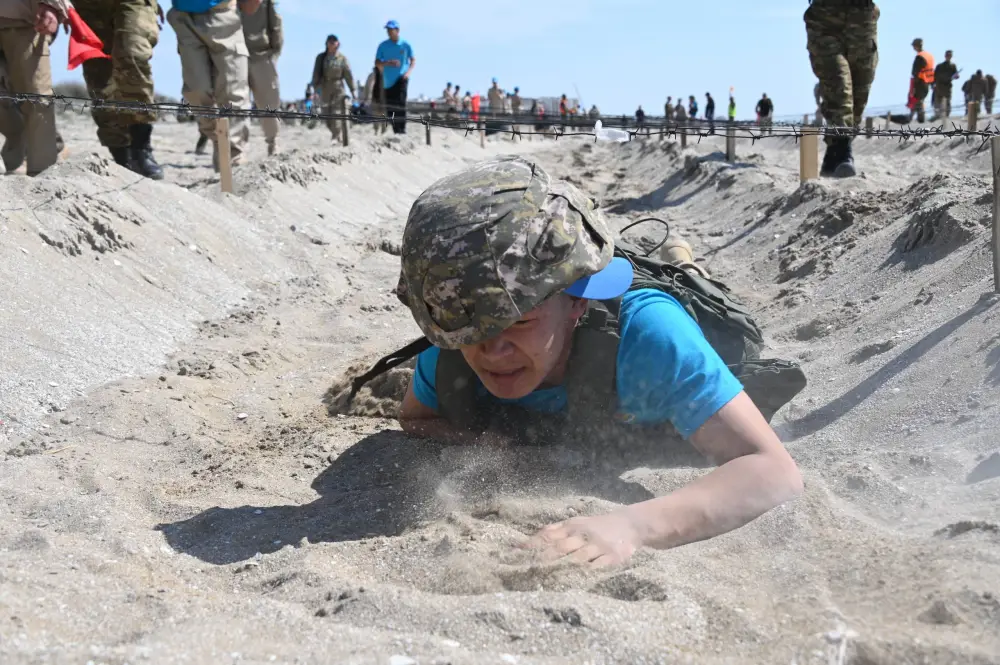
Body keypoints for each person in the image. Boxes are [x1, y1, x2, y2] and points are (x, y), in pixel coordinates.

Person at [391, 155, 804, 567]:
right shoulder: (449, 350)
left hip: (680, 325)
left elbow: (773, 470)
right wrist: (495, 444)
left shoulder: (649, 334)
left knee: (696, 282)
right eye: (473, 327)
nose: (493, 351)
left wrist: (631, 526)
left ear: (577, 301)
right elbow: (416, 420)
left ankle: (683, 261)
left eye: (520, 321)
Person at [75, 0, 163, 179]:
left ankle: (141, 146)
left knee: (133, 56)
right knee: (98, 74)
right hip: (88, 6)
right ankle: (120, 154)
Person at [167, 0, 258, 171]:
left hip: (223, 13)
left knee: (233, 91)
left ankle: (233, 156)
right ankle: (219, 140)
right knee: (195, 92)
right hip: (184, 15)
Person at [804, 0, 880, 178]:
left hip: (863, 19)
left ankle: (833, 156)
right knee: (839, 84)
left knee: (860, 93)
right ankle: (843, 152)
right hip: (825, 18)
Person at [0, 1, 67, 176]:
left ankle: (43, 173)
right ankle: (18, 153)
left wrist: (53, 4)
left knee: (36, 97)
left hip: (22, 18)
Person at [240, 0, 282, 155]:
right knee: (237, 104)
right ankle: (238, 148)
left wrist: (274, 52)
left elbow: (276, 23)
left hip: (262, 54)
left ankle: (273, 141)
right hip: (237, 55)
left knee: (269, 103)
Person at [311, 34, 354, 143]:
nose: (332, 44)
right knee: (326, 114)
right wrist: (315, 88)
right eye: (329, 42)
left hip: (338, 87)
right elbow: (316, 74)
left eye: (334, 42)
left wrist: (353, 90)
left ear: (338, 44)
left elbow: (348, 75)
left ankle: (336, 136)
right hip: (325, 87)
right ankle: (335, 133)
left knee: (337, 112)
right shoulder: (321, 58)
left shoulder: (342, 59)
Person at [375, 19, 414, 134]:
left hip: (401, 78)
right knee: (390, 108)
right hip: (387, 81)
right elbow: (377, 62)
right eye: (388, 29)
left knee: (401, 104)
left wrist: (408, 73)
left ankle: (402, 130)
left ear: (397, 30)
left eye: (391, 29)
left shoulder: (405, 44)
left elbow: (413, 60)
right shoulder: (383, 46)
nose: (389, 32)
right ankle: (396, 129)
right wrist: (387, 63)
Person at [908, 38, 934, 123]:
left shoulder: (919, 57)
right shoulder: (929, 56)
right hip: (928, 82)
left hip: (920, 82)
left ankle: (919, 119)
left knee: (916, 100)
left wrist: (914, 85)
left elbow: (915, 72)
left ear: (916, 46)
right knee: (920, 100)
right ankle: (914, 117)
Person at [931, 50, 958, 120]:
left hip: (947, 87)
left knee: (947, 102)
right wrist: (933, 85)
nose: (948, 57)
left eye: (950, 55)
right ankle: (937, 116)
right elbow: (934, 76)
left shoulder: (953, 66)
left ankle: (946, 116)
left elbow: (956, 75)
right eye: (947, 55)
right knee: (937, 103)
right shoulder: (939, 66)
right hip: (939, 87)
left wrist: (955, 76)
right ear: (945, 56)